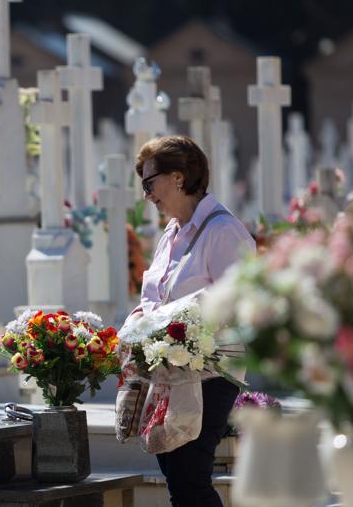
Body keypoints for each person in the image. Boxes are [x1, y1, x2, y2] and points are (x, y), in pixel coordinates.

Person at [125, 135, 254, 507]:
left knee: (189, 480)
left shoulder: (223, 230)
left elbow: (242, 303)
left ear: (178, 177)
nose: (147, 195)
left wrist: (181, 325)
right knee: (176, 479)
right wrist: (137, 323)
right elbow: (155, 296)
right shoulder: (171, 232)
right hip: (169, 373)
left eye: (150, 183)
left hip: (211, 376)